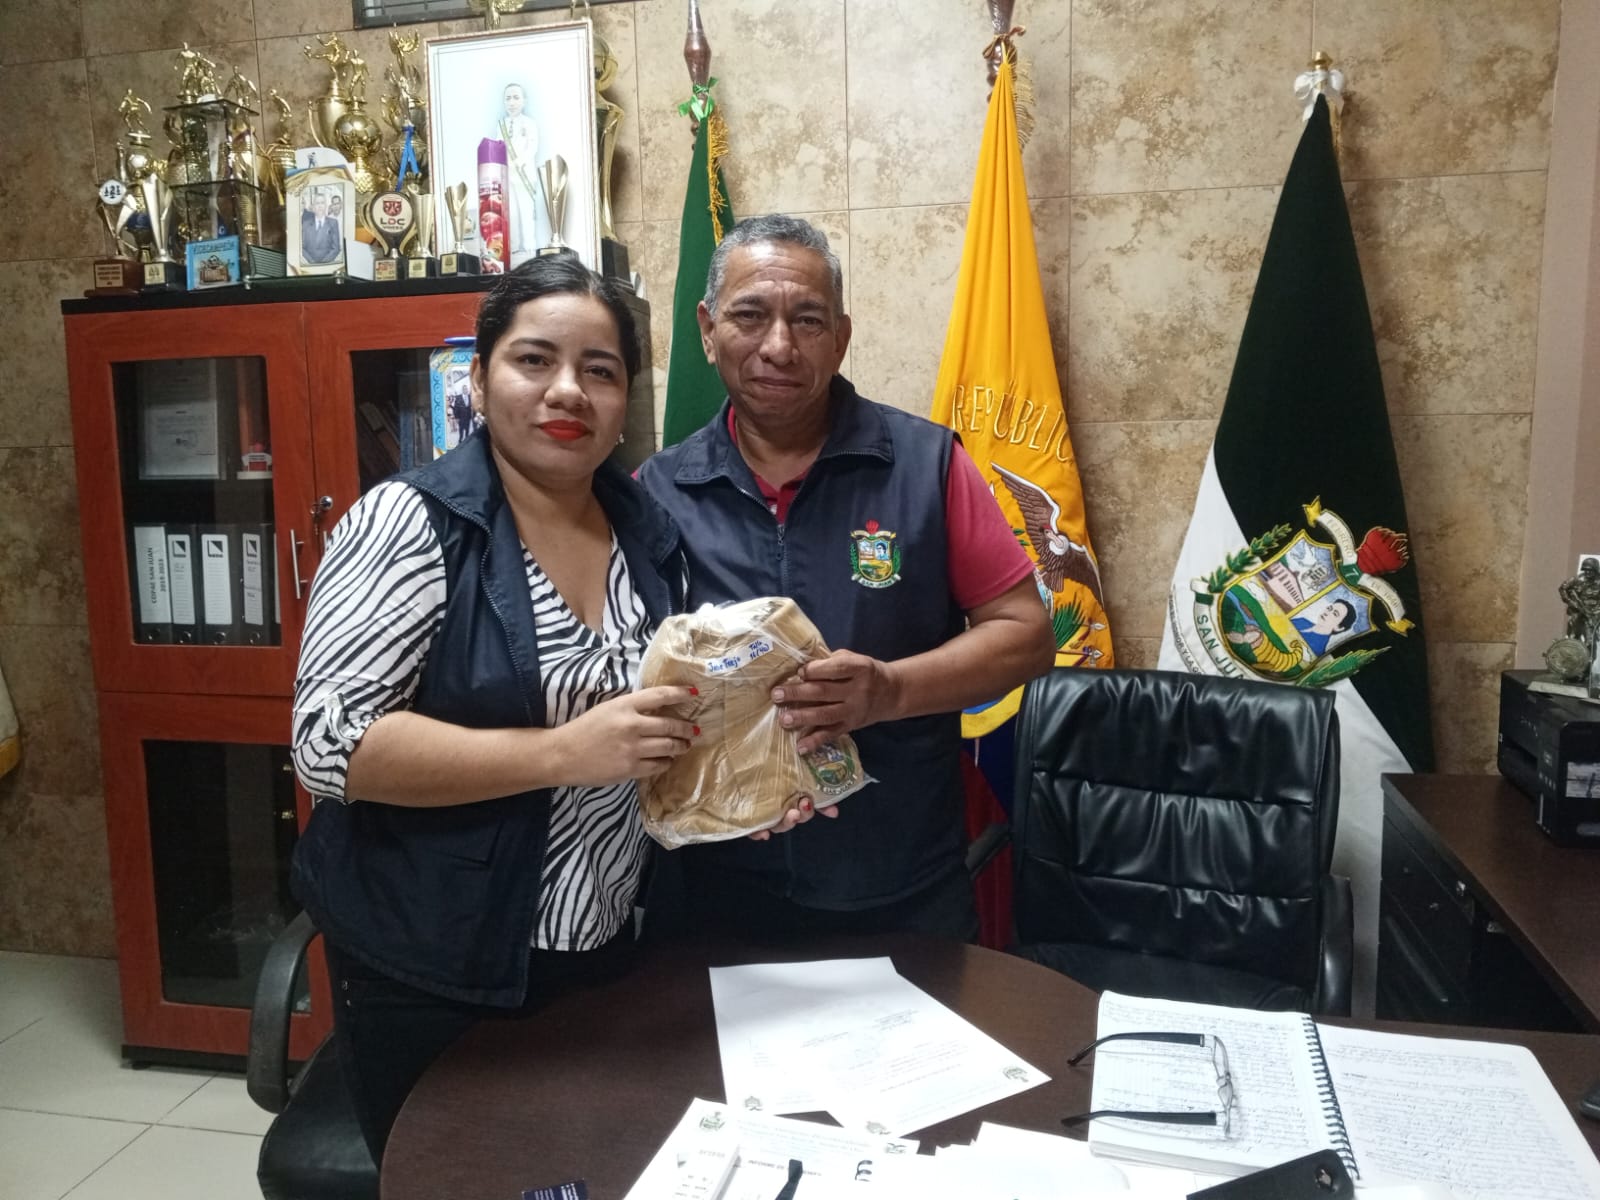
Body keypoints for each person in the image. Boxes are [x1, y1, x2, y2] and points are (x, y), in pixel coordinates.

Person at [291, 256, 758, 1163]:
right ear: (478, 377)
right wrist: (560, 754)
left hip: (605, 944)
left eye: (599, 370)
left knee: (580, 1169)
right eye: (534, 360)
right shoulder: (408, 524)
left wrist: (745, 788)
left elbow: (647, 732)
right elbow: (328, 746)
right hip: (439, 963)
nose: (568, 391)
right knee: (465, 1179)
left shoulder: (646, 534)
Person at [636, 214, 1056, 942]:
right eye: (749, 316)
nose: (778, 346)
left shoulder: (926, 466)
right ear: (706, 330)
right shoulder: (657, 491)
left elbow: (1026, 636)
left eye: (807, 320)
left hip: (897, 885)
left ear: (841, 337)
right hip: (713, 886)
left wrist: (890, 691)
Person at [499, 82, 540, 260]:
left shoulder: (529, 123)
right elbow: (499, 147)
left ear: (524, 101)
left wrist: (519, 161)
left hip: (524, 174)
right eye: (508, 98)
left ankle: (530, 248)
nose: (512, 102)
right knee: (512, 213)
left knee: (526, 211)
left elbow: (532, 147)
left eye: (516, 98)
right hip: (508, 175)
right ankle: (514, 247)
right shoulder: (501, 125)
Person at [299, 187, 342, 265]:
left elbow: (336, 248)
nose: (320, 206)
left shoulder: (333, 223)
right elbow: (302, 247)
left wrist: (323, 263)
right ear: (313, 206)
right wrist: (312, 262)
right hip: (310, 264)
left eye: (322, 203)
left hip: (328, 264)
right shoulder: (305, 224)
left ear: (326, 205)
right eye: (317, 203)